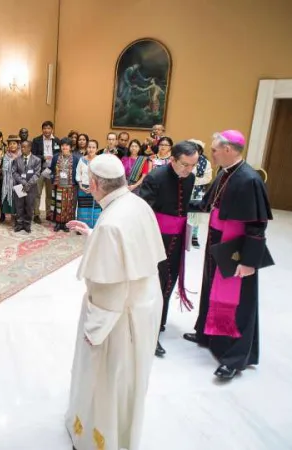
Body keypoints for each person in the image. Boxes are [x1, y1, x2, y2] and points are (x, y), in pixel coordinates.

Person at [65, 154, 165, 450]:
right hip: (144, 306)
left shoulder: (110, 222)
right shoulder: (136, 203)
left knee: (107, 381)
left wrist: (93, 332)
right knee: (129, 383)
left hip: (117, 321)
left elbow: (106, 292)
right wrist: (93, 235)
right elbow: (131, 249)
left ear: (94, 184)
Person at [185, 130, 272, 380]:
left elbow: (258, 224)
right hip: (217, 242)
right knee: (210, 287)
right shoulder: (225, 173)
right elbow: (208, 205)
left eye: (214, 149)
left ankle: (234, 358)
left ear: (228, 149)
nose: (210, 154)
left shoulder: (249, 179)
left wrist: (248, 262)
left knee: (239, 303)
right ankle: (206, 334)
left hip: (236, 248)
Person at [139, 141, 198, 357]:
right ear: (172, 159)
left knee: (170, 280)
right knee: (154, 283)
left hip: (177, 238)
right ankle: (147, 330)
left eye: (192, 165)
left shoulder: (190, 178)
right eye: (185, 165)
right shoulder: (155, 177)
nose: (188, 170)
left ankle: (159, 321)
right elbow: (143, 210)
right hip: (157, 240)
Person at [31, 121, 61, 223]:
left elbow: (59, 154)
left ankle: (49, 213)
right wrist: (43, 157)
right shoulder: (36, 140)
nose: (46, 130)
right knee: (37, 193)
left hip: (51, 170)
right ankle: (36, 214)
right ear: (42, 129)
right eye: (45, 128)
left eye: (49, 128)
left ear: (52, 129)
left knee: (49, 193)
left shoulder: (57, 140)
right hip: (39, 170)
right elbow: (33, 155)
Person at [50, 138, 80, 232]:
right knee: (59, 204)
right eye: (63, 145)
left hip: (70, 186)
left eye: (67, 145)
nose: (64, 147)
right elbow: (51, 169)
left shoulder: (75, 158)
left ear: (71, 147)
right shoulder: (55, 157)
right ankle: (58, 223)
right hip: (58, 185)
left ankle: (67, 224)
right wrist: (52, 178)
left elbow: (78, 171)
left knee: (69, 205)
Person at [187, 139, 213, 248]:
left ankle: (194, 236)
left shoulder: (206, 162)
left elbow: (208, 178)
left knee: (196, 216)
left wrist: (193, 180)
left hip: (198, 192)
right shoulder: (184, 158)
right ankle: (183, 234)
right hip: (184, 189)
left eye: (197, 149)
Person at [11, 140, 41, 233]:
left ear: (29, 148)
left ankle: (27, 224)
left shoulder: (37, 160)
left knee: (29, 206)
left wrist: (28, 184)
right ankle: (19, 224)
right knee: (19, 206)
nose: (22, 149)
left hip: (31, 187)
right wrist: (23, 182)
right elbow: (14, 172)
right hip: (20, 186)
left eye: (24, 147)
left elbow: (37, 174)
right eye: (21, 147)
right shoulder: (17, 159)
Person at [76, 139, 101, 228]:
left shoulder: (99, 160)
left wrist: (93, 187)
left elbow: (101, 176)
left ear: (97, 149)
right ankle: (82, 227)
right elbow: (78, 173)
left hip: (96, 188)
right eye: (89, 147)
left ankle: (94, 227)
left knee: (95, 208)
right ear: (87, 148)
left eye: (93, 147)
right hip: (83, 188)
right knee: (83, 208)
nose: (91, 149)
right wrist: (81, 186)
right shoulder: (82, 160)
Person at [0, 135, 21, 224]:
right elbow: (4, 169)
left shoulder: (21, 154)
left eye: (14, 143)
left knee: (20, 198)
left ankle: (20, 217)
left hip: (20, 181)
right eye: (10, 144)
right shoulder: (6, 156)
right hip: (9, 181)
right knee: (12, 198)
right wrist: (12, 161)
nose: (12, 145)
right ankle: (12, 217)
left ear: (18, 145)